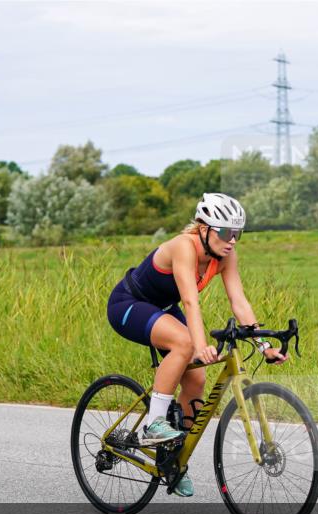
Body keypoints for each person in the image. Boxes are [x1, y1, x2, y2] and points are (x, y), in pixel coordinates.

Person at [106, 193, 287, 496]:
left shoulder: (226, 255)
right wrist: (200, 344)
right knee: (185, 344)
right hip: (129, 303)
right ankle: (154, 424)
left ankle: (173, 461)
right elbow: (190, 301)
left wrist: (263, 345)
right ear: (204, 228)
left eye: (237, 233)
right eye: (225, 232)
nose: (232, 240)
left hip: (163, 308)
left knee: (197, 379)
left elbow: (239, 301)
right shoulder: (184, 246)